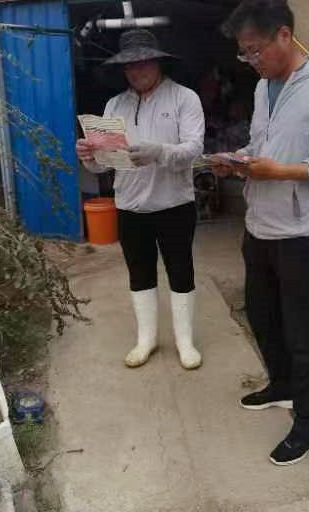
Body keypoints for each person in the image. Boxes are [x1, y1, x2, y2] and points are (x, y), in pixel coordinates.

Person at [214, 0, 309, 465]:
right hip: (259, 222)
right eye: (244, 53)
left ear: (284, 35)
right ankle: (282, 385)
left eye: (255, 50)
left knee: (303, 331)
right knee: (262, 314)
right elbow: (264, 147)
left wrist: (282, 172)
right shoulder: (262, 89)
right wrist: (238, 162)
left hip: (299, 230)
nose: (251, 60)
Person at [76, 29, 205, 370]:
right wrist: (89, 156)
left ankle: (185, 341)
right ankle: (146, 339)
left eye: (143, 62)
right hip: (130, 205)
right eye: (130, 65)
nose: (137, 70)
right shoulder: (114, 105)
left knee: (181, 270)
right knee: (139, 272)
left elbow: (194, 150)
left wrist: (159, 151)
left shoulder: (184, 98)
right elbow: (105, 162)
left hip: (174, 203)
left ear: (158, 62)